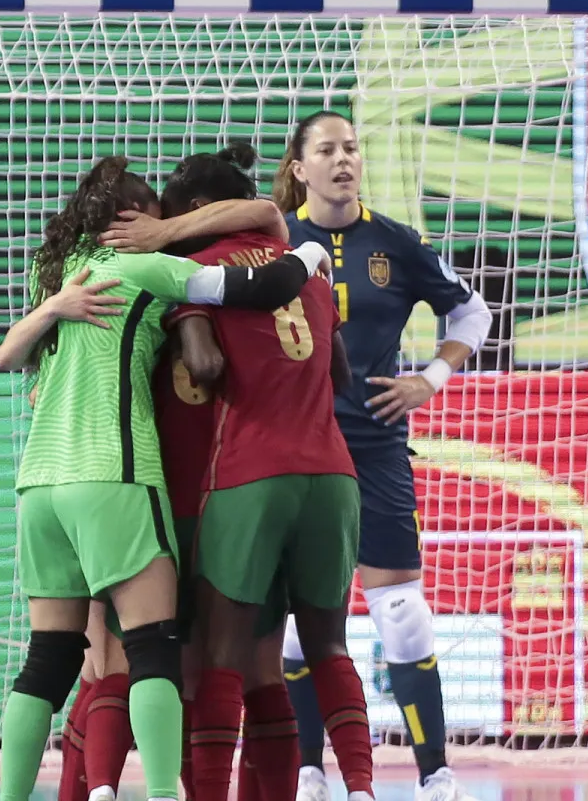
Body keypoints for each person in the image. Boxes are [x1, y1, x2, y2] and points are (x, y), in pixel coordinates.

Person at [0, 155, 330, 801]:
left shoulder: (58, 276)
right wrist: (309, 255)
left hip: (39, 487)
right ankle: (165, 797)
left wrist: (53, 309)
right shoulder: (145, 268)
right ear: (135, 219)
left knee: (50, 660)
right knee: (152, 648)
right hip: (113, 474)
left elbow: (7, 354)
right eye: (157, 213)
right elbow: (258, 291)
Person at [126, 141, 378, 801]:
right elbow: (341, 375)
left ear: (199, 212)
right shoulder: (311, 276)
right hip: (333, 475)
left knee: (217, 658)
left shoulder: (194, 274)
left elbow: (205, 369)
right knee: (328, 647)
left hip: (246, 477)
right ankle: (363, 788)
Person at [275, 111, 491, 801]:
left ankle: (436, 774)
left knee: (400, 611)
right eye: (327, 150)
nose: (344, 160)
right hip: (293, 447)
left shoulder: (395, 242)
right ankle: (308, 768)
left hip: (373, 444)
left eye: (352, 148)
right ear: (299, 168)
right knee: (296, 618)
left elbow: (472, 315)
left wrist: (430, 379)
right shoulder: (272, 241)